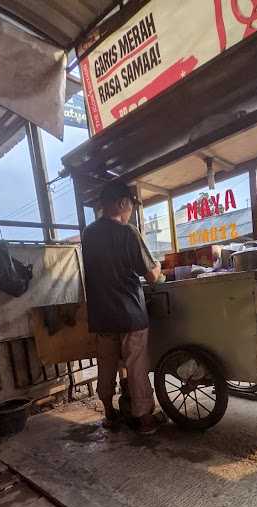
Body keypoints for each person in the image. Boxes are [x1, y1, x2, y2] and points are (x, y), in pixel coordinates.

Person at [81, 180, 163, 434]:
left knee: (106, 365)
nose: (131, 213)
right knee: (136, 366)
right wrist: (158, 266)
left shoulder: (89, 234)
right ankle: (144, 420)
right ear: (122, 203)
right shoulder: (128, 232)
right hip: (130, 315)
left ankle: (109, 413)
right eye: (131, 207)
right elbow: (151, 276)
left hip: (102, 316)